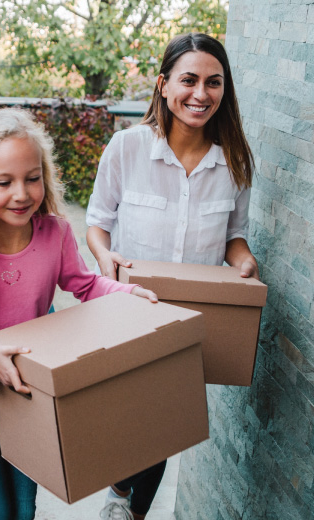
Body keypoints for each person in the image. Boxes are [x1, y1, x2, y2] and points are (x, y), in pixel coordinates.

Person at [0, 108, 158, 520]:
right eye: (4, 182)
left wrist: (128, 292)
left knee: (22, 513)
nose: (22, 193)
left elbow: (84, 284)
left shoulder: (55, 233)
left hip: (27, 394)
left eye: (32, 178)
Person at [86, 33, 259, 520]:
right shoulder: (127, 149)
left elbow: (234, 236)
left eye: (213, 82)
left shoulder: (235, 164)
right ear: (163, 85)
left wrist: (243, 262)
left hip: (189, 317)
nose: (200, 93)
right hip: (126, 309)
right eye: (189, 80)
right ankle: (119, 489)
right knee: (127, 417)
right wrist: (104, 258)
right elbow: (97, 222)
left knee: (164, 423)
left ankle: (128, 510)